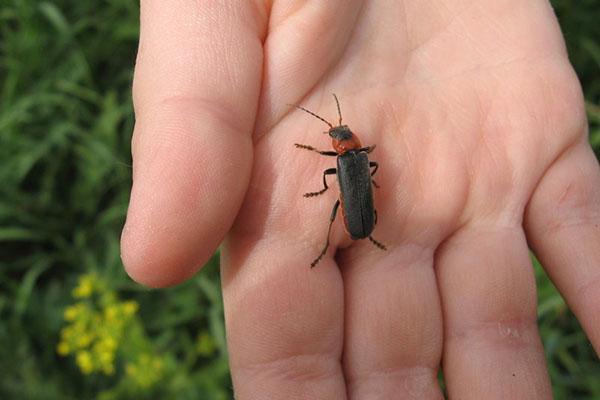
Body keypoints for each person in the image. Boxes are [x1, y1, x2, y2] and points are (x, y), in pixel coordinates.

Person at [120, 1, 599, 398]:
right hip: (361, 208)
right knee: (341, 204)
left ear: (342, 144)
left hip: (358, 207)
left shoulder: (350, 160)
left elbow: (361, 172)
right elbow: (364, 172)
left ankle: (348, 237)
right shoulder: (357, 159)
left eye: (337, 134)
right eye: (337, 135)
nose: (340, 136)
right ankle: (353, 239)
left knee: (338, 204)